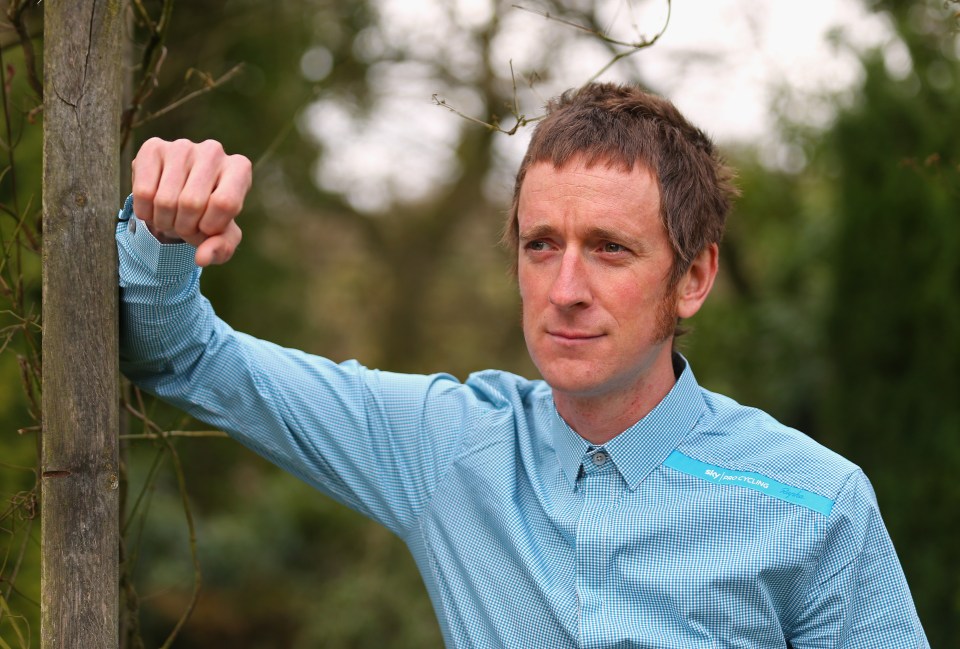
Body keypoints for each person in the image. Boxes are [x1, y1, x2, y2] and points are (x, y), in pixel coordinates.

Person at [117, 83, 929, 648]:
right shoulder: (447, 446)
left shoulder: (817, 505)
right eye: (543, 245)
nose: (565, 289)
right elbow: (183, 354)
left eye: (610, 249)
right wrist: (164, 230)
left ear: (694, 277)